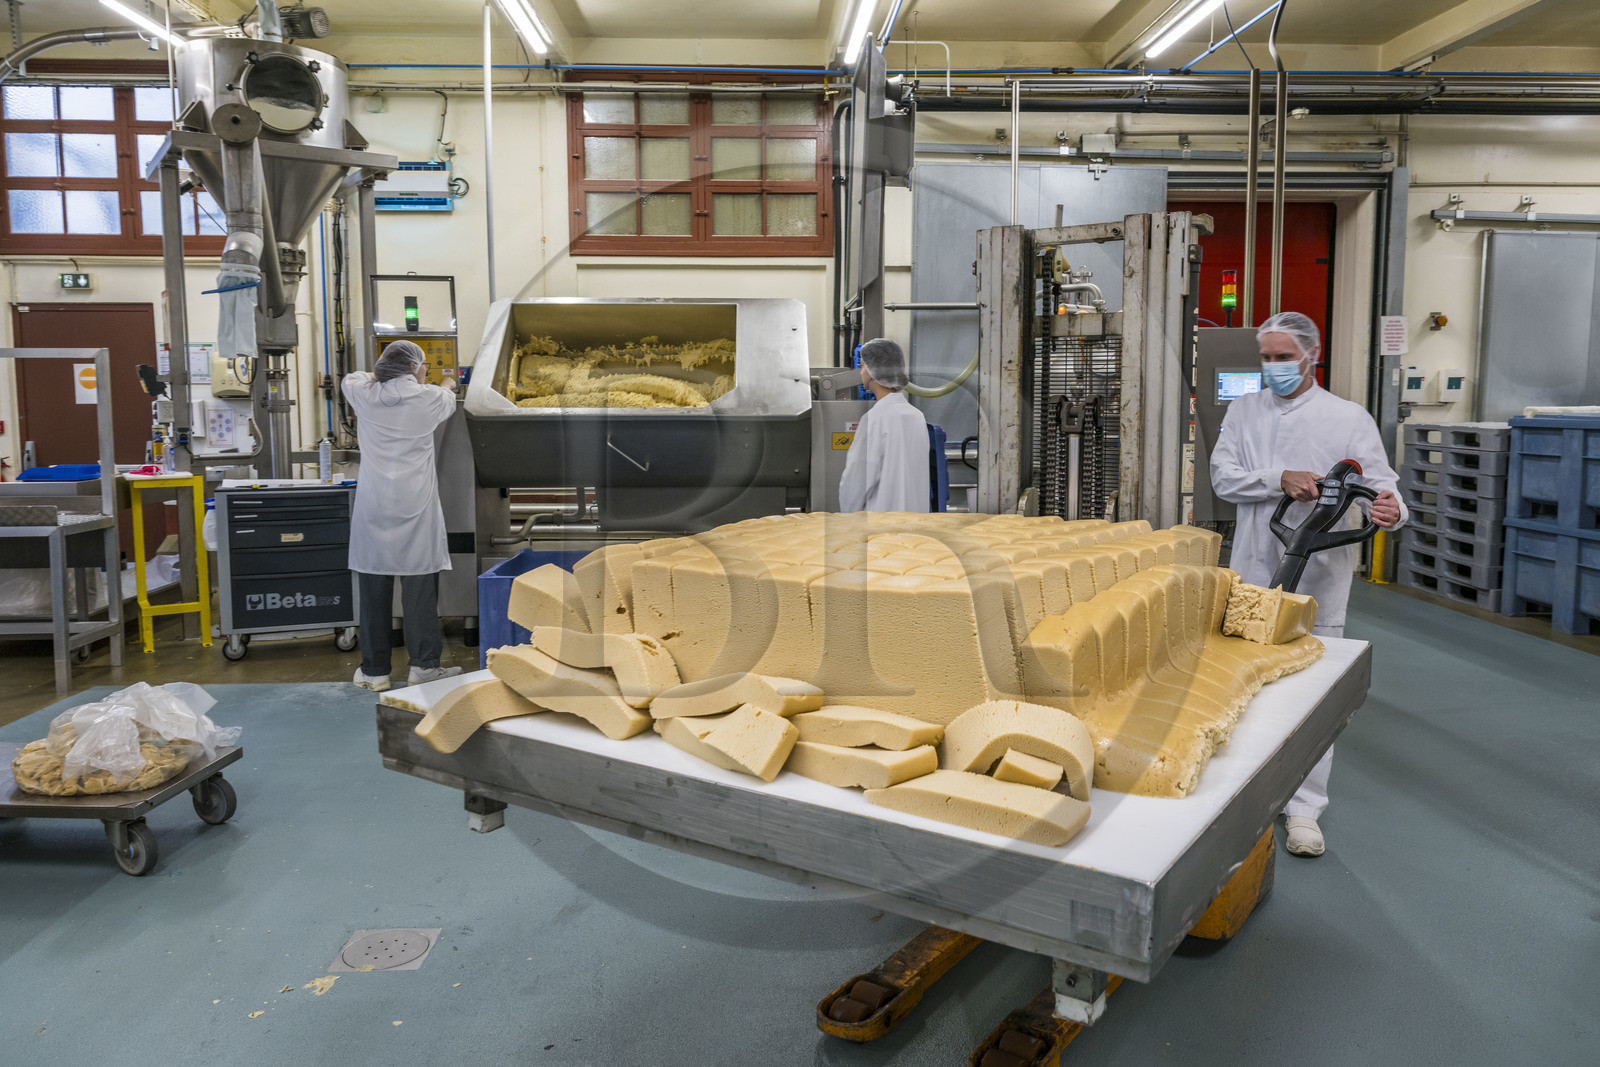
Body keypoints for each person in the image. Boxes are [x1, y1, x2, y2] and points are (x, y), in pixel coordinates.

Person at [1210, 311, 1406, 857]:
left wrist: (1395, 510)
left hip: (1321, 572)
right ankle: (1242, 797)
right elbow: (1222, 477)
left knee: (1310, 692)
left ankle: (1304, 810)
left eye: (1283, 357)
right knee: (1244, 686)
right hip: (1254, 564)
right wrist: (1279, 478)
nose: (1273, 367)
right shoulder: (1244, 410)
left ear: (1311, 356)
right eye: (1265, 357)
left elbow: (1381, 486)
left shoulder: (1347, 418)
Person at [342, 340, 464, 692]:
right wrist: (445, 380)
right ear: (414, 367)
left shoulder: (364, 394)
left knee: (373, 591)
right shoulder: (428, 398)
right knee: (420, 590)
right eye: (422, 364)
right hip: (415, 506)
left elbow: (354, 377)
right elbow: (448, 391)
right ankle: (424, 667)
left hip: (374, 506)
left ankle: (374, 672)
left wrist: (382, 374)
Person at [839, 338, 930, 513]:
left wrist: (846, 519)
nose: (860, 371)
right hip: (916, 525)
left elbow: (856, 482)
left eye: (863, 365)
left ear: (874, 371)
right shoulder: (917, 416)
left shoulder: (874, 419)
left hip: (881, 527)